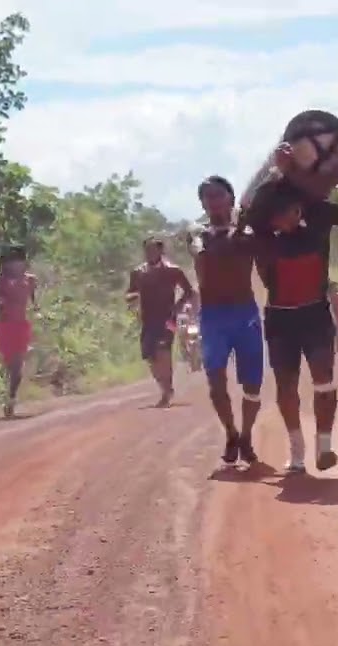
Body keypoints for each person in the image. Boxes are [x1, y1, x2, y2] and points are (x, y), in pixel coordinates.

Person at [252, 144, 338, 473]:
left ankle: (324, 447)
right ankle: (296, 450)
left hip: (315, 313)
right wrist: (274, 170)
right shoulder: (265, 213)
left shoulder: (320, 212)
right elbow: (248, 212)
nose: (285, 220)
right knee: (285, 387)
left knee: (323, 380)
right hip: (280, 317)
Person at [192, 175, 265, 465]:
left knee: (252, 386)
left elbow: (252, 246)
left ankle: (246, 435)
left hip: (245, 313)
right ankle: (231, 432)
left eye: (218, 195)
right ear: (202, 203)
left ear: (231, 199)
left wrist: (244, 223)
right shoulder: (198, 235)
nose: (213, 201)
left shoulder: (248, 233)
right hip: (213, 317)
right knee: (215, 381)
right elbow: (203, 254)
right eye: (207, 196)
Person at [126, 237, 195, 407]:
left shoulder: (173, 270)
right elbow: (130, 293)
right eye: (147, 250)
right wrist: (132, 301)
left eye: (153, 249)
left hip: (168, 318)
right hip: (147, 320)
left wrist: (178, 306)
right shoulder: (138, 273)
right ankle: (165, 387)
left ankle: (166, 392)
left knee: (164, 353)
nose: (150, 253)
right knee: (151, 357)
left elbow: (189, 292)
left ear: (160, 251)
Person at [0, 245, 38, 418]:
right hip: (5, 326)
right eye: (11, 262)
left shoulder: (30, 280)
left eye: (18, 261)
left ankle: (11, 398)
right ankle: (7, 394)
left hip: (21, 326)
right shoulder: (1, 282)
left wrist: (37, 310)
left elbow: (33, 301)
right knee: (9, 366)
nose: (15, 265)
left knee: (16, 366)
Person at [326, 280, 338, 353]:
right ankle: (331, 347)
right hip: (329, 315)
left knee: (336, 331)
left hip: (336, 315)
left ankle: (336, 347)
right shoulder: (327, 297)